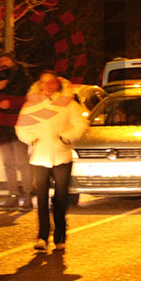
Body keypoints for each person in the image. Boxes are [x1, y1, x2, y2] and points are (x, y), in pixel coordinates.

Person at [15, 70, 88, 252]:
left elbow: (80, 124)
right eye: (44, 82)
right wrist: (32, 139)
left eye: (51, 82)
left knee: (61, 198)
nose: (47, 86)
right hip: (39, 157)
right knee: (41, 198)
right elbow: (21, 126)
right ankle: (42, 236)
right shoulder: (32, 105)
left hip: (62, 156)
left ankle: (60, 235)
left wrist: (67, 137)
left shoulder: (68, 104)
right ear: (39, 85)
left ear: (57, 84)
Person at [0, 53, 33, 210]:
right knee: (7, 163)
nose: (2, 63)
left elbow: (30, 99)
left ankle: (28, 197)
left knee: (23, 163)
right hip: (2, 126)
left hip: (18, 125)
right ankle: (13, 195)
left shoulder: (23, 77)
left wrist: (11, 103)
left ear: (13, 61)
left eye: (5, 60)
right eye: (0, 61)